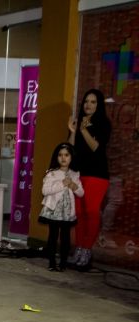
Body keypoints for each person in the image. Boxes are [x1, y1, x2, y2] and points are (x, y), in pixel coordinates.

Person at [67, 88, 111, 270]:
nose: (88, 105)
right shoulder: (78, 122)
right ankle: (78, 249)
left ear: (98, 105)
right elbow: (70, 148)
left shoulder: (103, 123)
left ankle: (86, 251)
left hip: (97, 175)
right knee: (79, 213)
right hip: (79, 174)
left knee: (91, 212)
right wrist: (72, 131)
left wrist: (84, 130)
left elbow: (96, 148)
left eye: (93, 102)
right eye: (86, 101)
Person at [39, 142, 84, 271]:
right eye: (60, 155)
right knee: (53, 236)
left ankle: (63, 263)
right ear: (56, 157)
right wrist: (62, 184)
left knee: (66, 238)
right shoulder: (52, 173)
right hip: (54, 211)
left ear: (71, 157)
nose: (63, 158)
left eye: (66, 155)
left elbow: (81, 193)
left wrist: (73, 186)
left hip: (67, 212)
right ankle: (52, 262)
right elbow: (45, 191)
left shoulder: (75, 174)